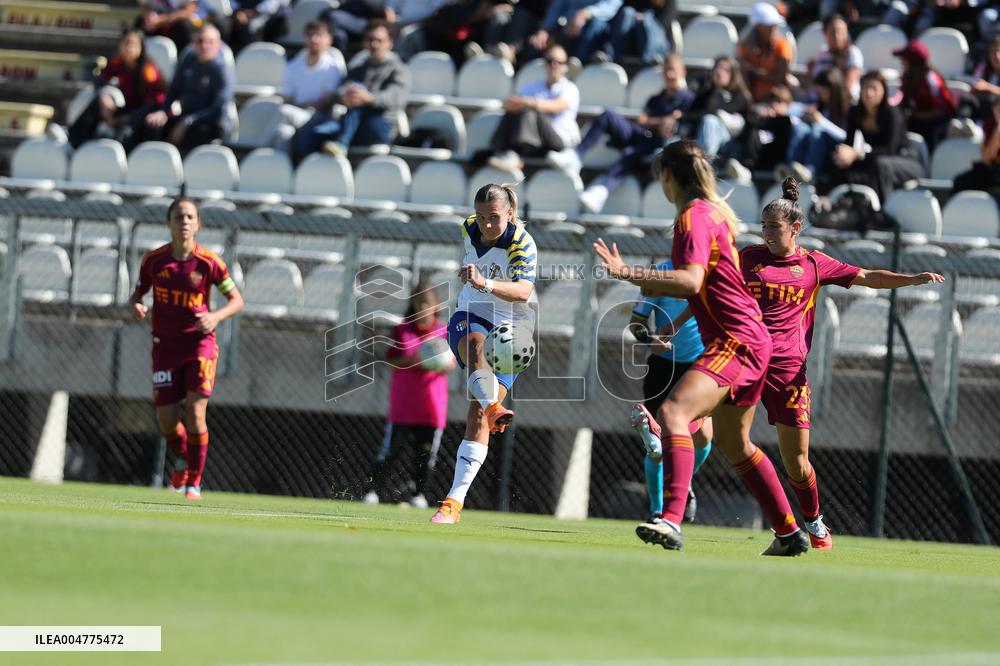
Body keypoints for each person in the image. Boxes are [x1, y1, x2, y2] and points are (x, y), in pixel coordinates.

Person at [593, 140, 808, 556]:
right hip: (749, 337)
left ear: (668, 177)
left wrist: (626, 272)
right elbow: (705, 285)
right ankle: (787, 532)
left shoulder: (692, 216)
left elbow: (692, 281)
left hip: (736, 338)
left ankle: (670, 519)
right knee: (734, 443)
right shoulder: (712, 214)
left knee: (673, 413)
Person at [740, 178, 945, 549]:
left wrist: (912, 279)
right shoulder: (748, 258)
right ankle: (665, 429)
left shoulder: (814, 265)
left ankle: (815, 524)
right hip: (746, 360)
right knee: (711, 418)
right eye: (764, 225)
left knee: (797, 463)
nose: (767, 232)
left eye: (774, 226)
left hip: (788, 374)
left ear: (795, 228)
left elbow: (868, 277)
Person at [430, 184, 537, 525]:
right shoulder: (467, 228)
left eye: (495, 218)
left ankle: (453, 503)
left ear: (509, 213)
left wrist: (484, 283)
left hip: (512, 327)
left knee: (476, 417)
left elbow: (523, 292)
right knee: (476, 346)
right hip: (470, 313)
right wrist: (474, 286)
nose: (488, 225)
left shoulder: (522, 243)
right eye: (483, 217)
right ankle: (495, 407)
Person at [130, 198, 244, 500]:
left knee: (195, 413)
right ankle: (184, 457)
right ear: (168, 222)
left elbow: (237, 300)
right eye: (178, 216)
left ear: (198, 224)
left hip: (199, 346)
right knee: (167, 421)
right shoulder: (154, 261)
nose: (184, 221)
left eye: (190, 216)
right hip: (165, 348)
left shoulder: (209, 263)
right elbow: (137, 294)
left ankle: (194, 480)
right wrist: (138, 305)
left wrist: (215, 316)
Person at [545, 53, 693, 213]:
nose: (669, 75)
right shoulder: (657, 98)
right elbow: (642, 120)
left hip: (657, 146)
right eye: (665, 71)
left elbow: (679, 126)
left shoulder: (688, 99)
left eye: (672, 70)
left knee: (632, 152)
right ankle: (576, 156)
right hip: (642, 135)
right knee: (608, 115)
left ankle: (602, 190)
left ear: (682, 71)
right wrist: (663, 120)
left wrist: (662, 123)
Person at [627, 263, 713, 524]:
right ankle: (656, 509)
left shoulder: (707, 271)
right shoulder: (661, 273)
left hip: (701, 365)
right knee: (658, 445)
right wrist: (649, 340)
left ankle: (681, 481)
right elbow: (636, 323)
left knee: (703, 435)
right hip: (663, 366)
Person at [362, 285, 454, 508]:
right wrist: (413, 360)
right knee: (391, 450)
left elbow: (451, 363)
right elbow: (392, 359)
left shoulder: (443, 332)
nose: (423, 307)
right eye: (419, 302)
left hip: (431, 406)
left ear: (435, 307)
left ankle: (419, 494)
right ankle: (373, 490)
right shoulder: (403, 331)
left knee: (425, 454)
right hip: (404, 404)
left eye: (427, 303)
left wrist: (441, 363)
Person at [480, 44, 580, 172]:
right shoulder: (535, 86)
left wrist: (529, 103)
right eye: (549, 61)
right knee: (516, 110)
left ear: (565, 66)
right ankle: (504, 151)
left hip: (558, 142)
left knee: (528, 109)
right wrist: (518, 104)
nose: (553, 65)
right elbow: (509, 102)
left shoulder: (570, 88)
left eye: (558, 62)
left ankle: (513, 152)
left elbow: (557, 106)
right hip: (537, 142)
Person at [319, 20, 410, 157]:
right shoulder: (357, 68)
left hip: (382, 124)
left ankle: (342, 143)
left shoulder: (399, 69)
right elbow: (342, 89)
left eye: (379, 40)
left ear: (389, 42)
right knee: (317, 134)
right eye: (370, 40)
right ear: (364, 42)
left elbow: (396, 98)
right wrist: (345, 97)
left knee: (358, 107)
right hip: (353, 124)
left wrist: (369, 99)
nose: (374, 44)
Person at [137, 24, 234, 150]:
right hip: (186, 117)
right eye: (200, 41)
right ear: (194, 42)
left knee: (196, 134)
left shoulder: (222, 70)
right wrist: (163, 111)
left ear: (218, 44)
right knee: (153, 125)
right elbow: (174, 89)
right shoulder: (189, 60)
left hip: (211, 122)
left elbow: (218, 108)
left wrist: (189, 121)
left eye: (209, 42)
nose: (204, 45)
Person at [831, 71, 925, 201]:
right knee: (838, 159)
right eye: (865, 88)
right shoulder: (855, 112)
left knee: (881, 165)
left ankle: (882, 212)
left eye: (874, 88)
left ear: (883, 92)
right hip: (876, 160)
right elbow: (849, 144)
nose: (869, 93)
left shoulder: (892, 114)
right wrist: (843, 155)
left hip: (907, 162)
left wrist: (857, 154)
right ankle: (836, 203)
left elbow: (890, 150)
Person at [68, 28, 167, 149]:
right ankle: (73, 142)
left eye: (133, 44)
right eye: (126, 43)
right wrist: (104, 97)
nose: (129, 48)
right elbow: (100, 81)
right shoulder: (117, 62)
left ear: (141, 47)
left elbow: (153, 102)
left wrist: (123, 119)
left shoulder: (148, 70)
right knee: (96, 104)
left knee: (125, 133)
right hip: (126, 108)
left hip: (143, 114)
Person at [283, 21, 345, 161]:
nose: (314, 39)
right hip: (294, 116)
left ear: (329, 40)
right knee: (283, 132)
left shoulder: (334, 68)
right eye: (311, 35)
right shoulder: (293, 66)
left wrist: (301, 105)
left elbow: (324, 104)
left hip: (319, 117)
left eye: (319, 35)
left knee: (283, 113)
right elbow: (287, 99)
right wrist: (307, 104)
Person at [776, 67, 850, 184]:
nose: (820, 96)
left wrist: (821, 122)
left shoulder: (847, 108)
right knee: (801, 128)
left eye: (822, 92)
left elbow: (844, 135)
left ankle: (810, 172)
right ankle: (789, 169)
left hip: (834, 148)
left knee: (817, 129)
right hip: (815, 143)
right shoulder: (822, 106)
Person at [894, 39, 957, 150]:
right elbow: (902, 97)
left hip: (938, 123)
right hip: (919, 117)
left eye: (904, 59)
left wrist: (914, 115)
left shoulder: (931, 80)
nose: (901, 62)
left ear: (913, 63)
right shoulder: (907, 75)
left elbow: (940, 112)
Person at [688, 55, 751, 159]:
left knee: (710, 121)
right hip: (703, 140)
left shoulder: (739, 96)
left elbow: (716, 110)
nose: (719, 72)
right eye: (717, 68)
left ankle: (704, 164)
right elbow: (691, 114)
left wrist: (717, 91)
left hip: (731, 146)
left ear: (733, 74)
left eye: (725, 70)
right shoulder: (705, 94)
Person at [527, 0, 622, 63]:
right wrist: (544, 30)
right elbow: (556, 7)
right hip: (566, 27)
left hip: (596, 30)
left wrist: (585, 14)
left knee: (594, 25)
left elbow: (610, 7)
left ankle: (577, 64)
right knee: (537, 42)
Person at [737, 2, 794, 103]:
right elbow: (743, 77)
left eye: (774, 25)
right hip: (754, 101)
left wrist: (754, 70)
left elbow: (779, 79)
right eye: (769, 25)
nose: (774, 28)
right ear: (758, 27)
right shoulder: (745, 48)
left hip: (777, 101)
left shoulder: (783, 45)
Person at [809, 14, 863, 102]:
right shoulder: (821, 53)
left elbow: (848, 87)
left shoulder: (853, 53)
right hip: (816, 102)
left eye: (842, 32)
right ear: (825, 33)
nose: (838, 36)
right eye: (833, 32)